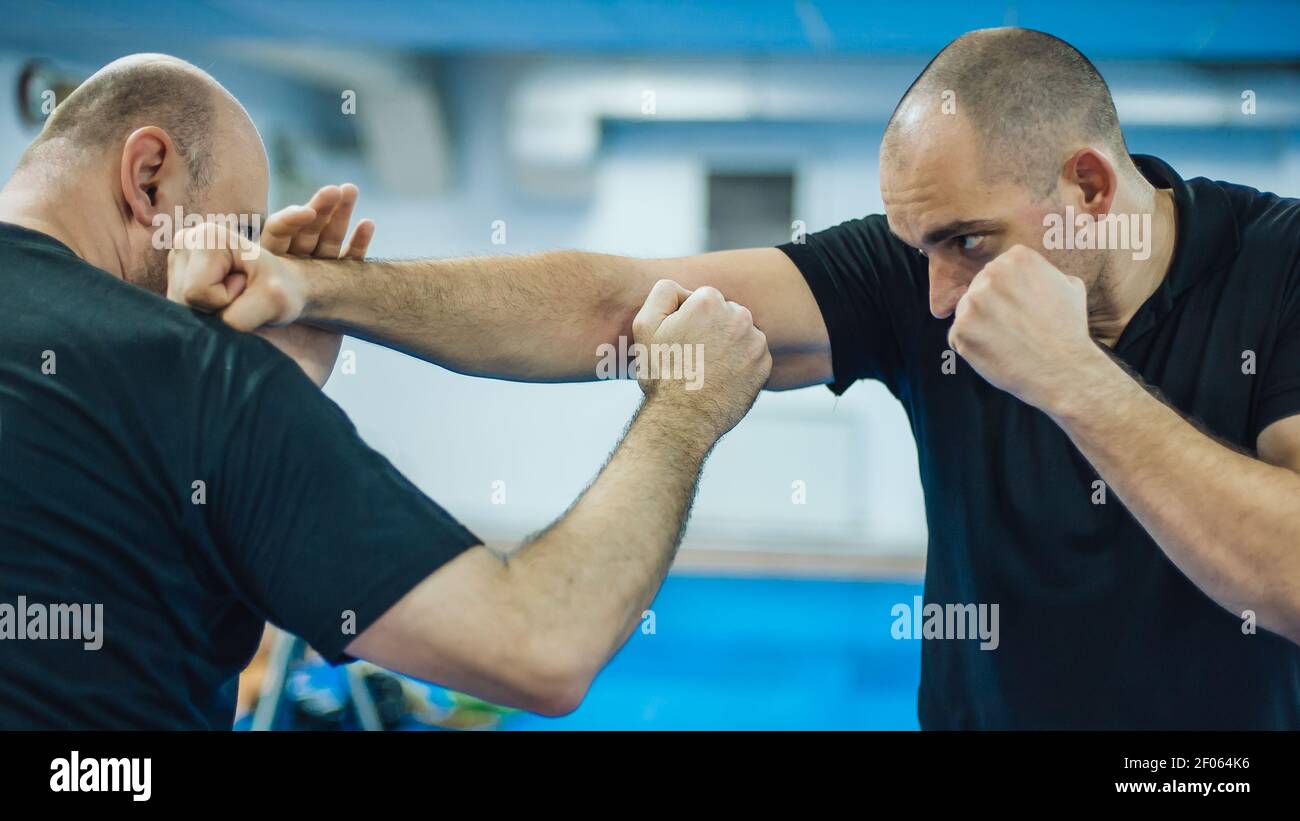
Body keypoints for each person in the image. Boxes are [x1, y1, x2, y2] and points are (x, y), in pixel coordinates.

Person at [173, 28, 1300, 729]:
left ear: (1090, 187)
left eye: (966, 242)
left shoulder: (1279, 266)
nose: (939, 302)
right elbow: (614, 306)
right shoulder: (915, 272)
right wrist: (321, 291)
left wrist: (1074, 379)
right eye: (921, 251)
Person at [0, 54, 771, 729]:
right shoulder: (197, 380)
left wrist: (270, 395)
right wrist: (686, 405)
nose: (232, 267)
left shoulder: (182, 384)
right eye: (235, 229)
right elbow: (542, 645)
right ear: (148, 178)